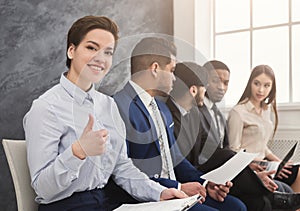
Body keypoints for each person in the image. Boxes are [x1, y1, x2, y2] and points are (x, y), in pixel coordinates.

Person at [23, 16, 189, 211]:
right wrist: (78, 152)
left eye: (108, 52)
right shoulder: (46, 107)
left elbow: (122, 168)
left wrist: (158, 192)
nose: (100, 58)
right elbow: (43, 188)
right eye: (92, 48)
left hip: (105, 203)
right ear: (71, 50)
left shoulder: (108, 105)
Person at [113, 37, 247, 211]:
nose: (175, 79)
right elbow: (125, 171)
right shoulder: (117, 106)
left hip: (175, 191)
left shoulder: (161, 108)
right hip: (149, 197)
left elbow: (175, 158)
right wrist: (176, 187)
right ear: (155, 68)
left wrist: (205, 184)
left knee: (237, 207)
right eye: (172, 70)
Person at [167, 61, 300, 210]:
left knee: (228, 156)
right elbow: (180, 160)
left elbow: (217, 150)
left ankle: (269, 193)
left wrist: (251, 169)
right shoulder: (174, 113)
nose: (215, 88)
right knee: (257, 198)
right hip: (196, 174)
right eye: (209, 83)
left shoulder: (198, 113)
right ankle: (270, 195)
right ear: (193, 90)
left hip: (218, 170)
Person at [227, 64, 300, 193]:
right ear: (250, 84)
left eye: (266, 85)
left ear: (272, 88)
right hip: (250, 168)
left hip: (266, 165)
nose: (261, 90)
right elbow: (233, 150)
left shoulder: (266, 111)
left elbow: (263, 147)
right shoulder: (238, 112)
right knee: (287, 187)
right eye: (257, 83)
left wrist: (280, 162)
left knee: (297, 171)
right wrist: (260, 163)